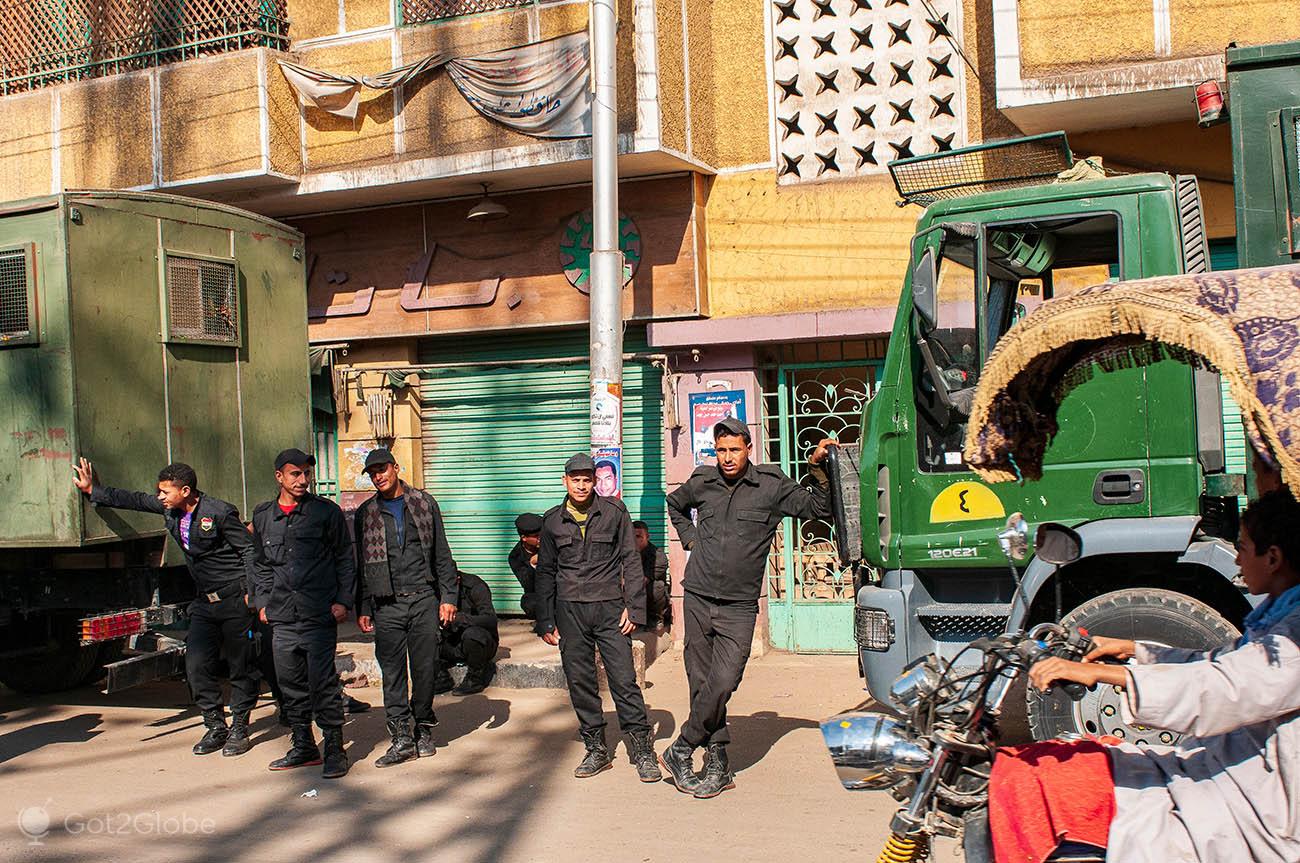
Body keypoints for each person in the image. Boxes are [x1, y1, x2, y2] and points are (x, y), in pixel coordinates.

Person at [1015, 489, 1300, 863]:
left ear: (1274, 557)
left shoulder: (1291, 636)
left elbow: (1218, 686)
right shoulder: (1274, 620)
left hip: (1262, 809)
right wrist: (1133, 649)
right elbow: (1213, 660)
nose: (1237, 560)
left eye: (1243, 548)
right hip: (1231, 772)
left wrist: (1099, 673)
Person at [662, 417, 836, 798]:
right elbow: (674, 504)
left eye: (734, 450)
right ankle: (718, 763)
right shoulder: (702, 482)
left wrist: (818, 468)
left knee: (723, 681)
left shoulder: (770, 487)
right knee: (701, 684)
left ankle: (681, 748)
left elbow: (818, 510)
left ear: (748, 449)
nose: (726, 457)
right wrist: (690, 539)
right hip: (697, 596)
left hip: (739, 604)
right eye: (721, 450)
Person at [72, 459, 259, 758]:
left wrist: (254, 594)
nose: (160, 497)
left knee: (240, 667)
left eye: (165, 492)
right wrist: (95, 489)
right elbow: (134, 499)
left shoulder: (219, 512)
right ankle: (215, 726)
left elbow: (249, 549)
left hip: (234, 599)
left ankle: (239, 727)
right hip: (203, 601)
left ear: (186, 491)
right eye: (159, 492)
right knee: (196, 664)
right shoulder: (170, 509)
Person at [535, 452, 661, 783]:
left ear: (595, 481)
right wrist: (545, 620)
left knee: (623, 680)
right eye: (574, 479)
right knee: (581, 682)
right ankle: (597, 749)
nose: (580, 485)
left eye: (586, 479)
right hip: (570, 611)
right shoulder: (551, 520)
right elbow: (545, 572)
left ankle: (642, 750)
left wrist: (633, 608)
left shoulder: (614, 512)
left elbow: (631, 561)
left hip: (609, 610)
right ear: (565, 481)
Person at [251, 448, 356, 779]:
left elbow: (344, 558)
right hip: (282, 617)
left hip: (317, 614)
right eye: (295, 474)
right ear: (279, 476)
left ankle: (335, 748)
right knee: (290, 685)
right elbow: (260, 564)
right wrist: (262, 602)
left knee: (322, 682)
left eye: (306, 473)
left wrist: (343, 599)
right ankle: (303, 746)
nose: (303, 480)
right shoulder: (264, 515)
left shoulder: (326, 513)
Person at [353, 448, 460, 768]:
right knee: (393, 672)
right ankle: (401, 736)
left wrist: (449, 598)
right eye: (372, 473)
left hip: (423, 599)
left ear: (396, 467)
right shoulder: (366, 512)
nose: (378, 476)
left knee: (426, 668)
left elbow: (442, 552)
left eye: (382, 469)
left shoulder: (424, 504)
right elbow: (361, 564)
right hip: (386, 603)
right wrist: (363, 606)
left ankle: (423, 727)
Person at [434, 570, 499, 696]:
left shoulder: (475, 586)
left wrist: (460, 619)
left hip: (479, 644)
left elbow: (490, 620)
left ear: (457, 579)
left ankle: (475, 679)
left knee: (472, 635)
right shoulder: (433, 588)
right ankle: (441, 677)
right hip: (451, 643)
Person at [633, 520, 671, 629]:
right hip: (632, 593)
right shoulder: (625, 553)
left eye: (638, 536)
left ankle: (655, 618)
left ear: (647, 537)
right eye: (632, 537)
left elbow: (642, 581)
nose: (635, 540)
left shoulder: (658, 556)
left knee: (657, 588)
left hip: (646, 594)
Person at [508, 513, 543, 619]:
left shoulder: (550, 543)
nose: (540, 538)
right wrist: (532, 564)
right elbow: (528, 585)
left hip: (561, 590)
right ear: (524, 538)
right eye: (537, 536)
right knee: (529, 602)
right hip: (540, 592)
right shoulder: (515, 557)